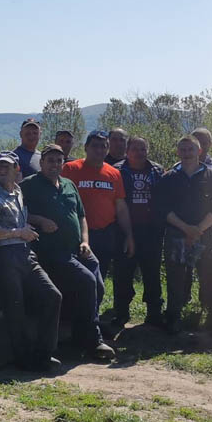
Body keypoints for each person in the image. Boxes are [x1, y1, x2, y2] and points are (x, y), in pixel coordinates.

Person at [22, 144, 116, 361]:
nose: (55, 164)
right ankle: (93, 340)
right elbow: (18, 215)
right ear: (42, 162)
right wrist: (40, 220)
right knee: (85, 281)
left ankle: (79, 332)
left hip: (77, 248)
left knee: (98, 284)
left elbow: (81, 216)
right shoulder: (29, 186)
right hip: (52, 251)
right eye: (50, 160)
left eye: (58, 160)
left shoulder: (69, 185)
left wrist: (85, 241)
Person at [0, 151, 62, 372]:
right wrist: (18, 233)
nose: (3, 170)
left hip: (25, 253)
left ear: (17, 169)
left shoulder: (17, 191)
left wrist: (25, 233)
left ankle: (43, 354)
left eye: (7, 166)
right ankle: (23, 359)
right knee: (16, 307)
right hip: (5, 256)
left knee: (52, 295)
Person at [155, 135, 212, 334]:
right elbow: (162, 208)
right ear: (178, 152)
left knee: (211, 277)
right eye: (183, 150)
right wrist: (186, 229)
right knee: (175, 278)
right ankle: (173, 319)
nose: (187, 154)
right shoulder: (169, 177)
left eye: (191, 150)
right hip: (176, 235)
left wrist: (198, 230)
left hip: (205, 235)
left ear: (199, 152)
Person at [63, 130, 134, 317]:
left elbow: (121, 207)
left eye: (103, 146)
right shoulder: (70, 169)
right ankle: (73, 320)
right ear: (86, 148)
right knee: (77, 280)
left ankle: (91, 318)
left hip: (105, 234)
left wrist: (129, 235)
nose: (99, 150)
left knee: (98, 278)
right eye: (95, 146)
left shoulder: (114, 174)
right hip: (76, 235)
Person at [113, 136, 165, 328]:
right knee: (123, 273)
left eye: (143, 149)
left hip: (151, 230)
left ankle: (154, 313)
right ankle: (121, 313)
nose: (139, 153)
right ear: (127, 151)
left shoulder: (157, 171)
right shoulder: (117, 171)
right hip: (124, 229)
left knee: (151, 272)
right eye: (135, 149)